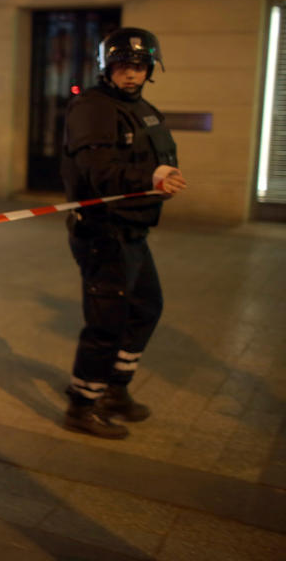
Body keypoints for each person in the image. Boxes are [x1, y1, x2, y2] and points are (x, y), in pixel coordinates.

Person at [60, 27, 187, 439]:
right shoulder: (93, 108)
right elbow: (99, 173)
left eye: (138, 66)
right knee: (107, 322)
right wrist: (149, 175)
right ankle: (82, 404)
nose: (131, 74)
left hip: (132, 230)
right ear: (106, 68)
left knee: (146, 309)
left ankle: (115, 389)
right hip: (103, 233)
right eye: (122, 66)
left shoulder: (142, 108)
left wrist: (159, 175)